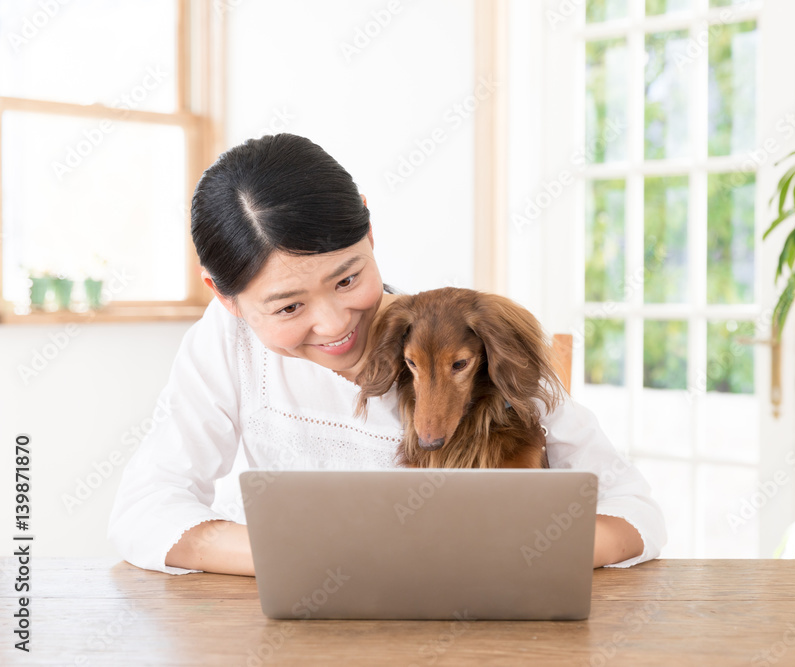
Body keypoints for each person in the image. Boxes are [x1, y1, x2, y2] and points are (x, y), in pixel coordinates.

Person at [107, 133, 666, 575]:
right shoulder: (226, 343)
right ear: (225, 300)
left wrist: (508, 552)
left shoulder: (463, 346)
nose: (333, 324)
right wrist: (300, 559)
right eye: (286, 309)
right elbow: (145, 510)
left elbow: (636, 514)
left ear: (370, 231)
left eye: (347, 279)